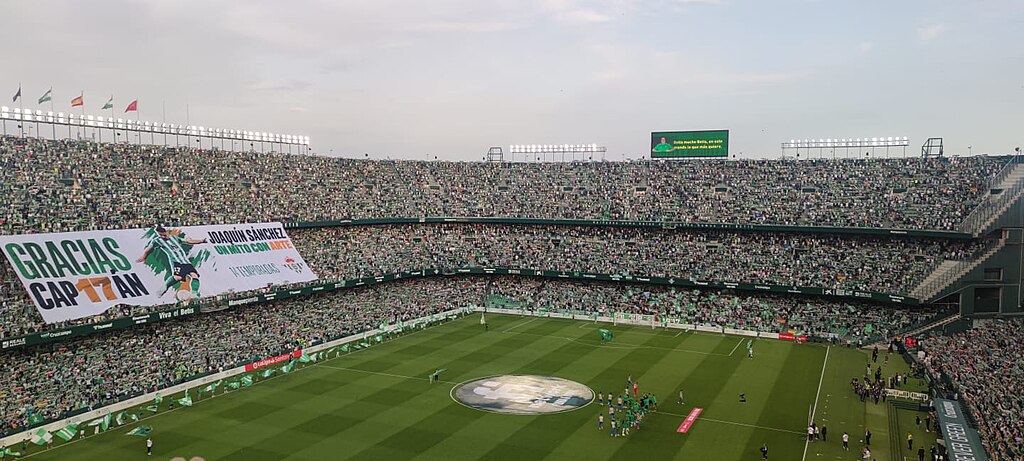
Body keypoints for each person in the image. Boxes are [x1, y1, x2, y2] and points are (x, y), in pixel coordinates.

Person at [137, 225, 209, 299]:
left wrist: (201, 241)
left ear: (167, 232)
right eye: (160, 235)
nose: (162, 236)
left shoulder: (174, 238)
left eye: (163, 234)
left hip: (186, 261)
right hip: (176, 262)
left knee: (195, 275)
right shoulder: (157, 240)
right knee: (178, 277)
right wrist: (144, 257)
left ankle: (194, 293)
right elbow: (148, 249)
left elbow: (188, 241)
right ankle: (164, 287)